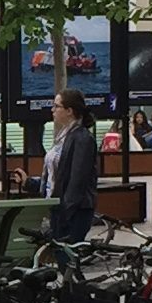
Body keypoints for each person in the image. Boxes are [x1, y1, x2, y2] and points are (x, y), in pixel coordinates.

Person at [42, 89, 98, 245]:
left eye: (56, 106)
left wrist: (65, 212)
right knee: (61, 258)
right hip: (59, 208)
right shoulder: (63, 136)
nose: (52, 110)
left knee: (67, 258)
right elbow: (57, 175)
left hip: (73, 212)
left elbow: (77, 180)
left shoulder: (82, 138)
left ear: (69, 111)